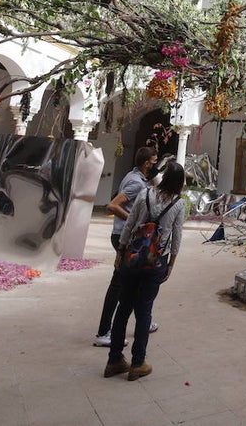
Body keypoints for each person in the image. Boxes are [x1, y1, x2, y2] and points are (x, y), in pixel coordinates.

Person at [104, 157, 186, 381]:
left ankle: (114, 360)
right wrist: (171, 264)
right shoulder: (178, 204)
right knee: (144, 311)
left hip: (133, 256)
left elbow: (130, 223)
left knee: (124, 307)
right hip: (156, 261)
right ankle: (138, 363)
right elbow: (177, 237)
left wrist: (121, 251)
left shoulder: (145, 194)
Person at [94, 144, 158, 347]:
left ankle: (143, 320)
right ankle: (104, 331)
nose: (155, 166)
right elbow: (112, 205)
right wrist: (133, 220)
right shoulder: (135, 183)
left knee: (135, 281)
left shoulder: (135, 177)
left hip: (127, 236)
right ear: (147, 163)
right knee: (118, 285)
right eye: (154, 162)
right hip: (124, 236)